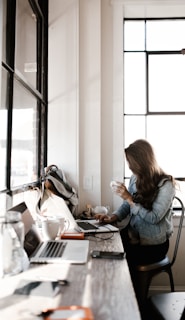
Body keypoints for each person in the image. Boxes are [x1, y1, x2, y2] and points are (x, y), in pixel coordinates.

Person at [95, 139, 176, 316]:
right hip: (134, 237)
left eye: (131, 163)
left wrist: (130, 199)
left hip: (154, 245)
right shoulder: (135, 179)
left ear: (142, 161)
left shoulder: (166, 184)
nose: (130, 168)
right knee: (103, 247)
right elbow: (126, 207)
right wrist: (112, 217)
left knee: (120, 262)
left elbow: (154, 218)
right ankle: (111, 302)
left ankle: (132, 308)